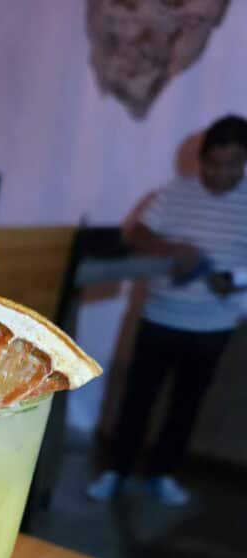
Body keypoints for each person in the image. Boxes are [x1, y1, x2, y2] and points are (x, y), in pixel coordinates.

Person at [88, 114, 247, 506]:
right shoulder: (175, 193)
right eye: (213, 163)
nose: (220, 172)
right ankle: (116, 472)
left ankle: (163, 473)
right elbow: (137, 233)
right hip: (160, 316)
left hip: (214, 323)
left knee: (186, 406)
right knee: (138, 399)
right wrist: (172, 250)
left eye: (231, 164)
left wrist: (235, 279)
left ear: (243, 162)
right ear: (201, 158)